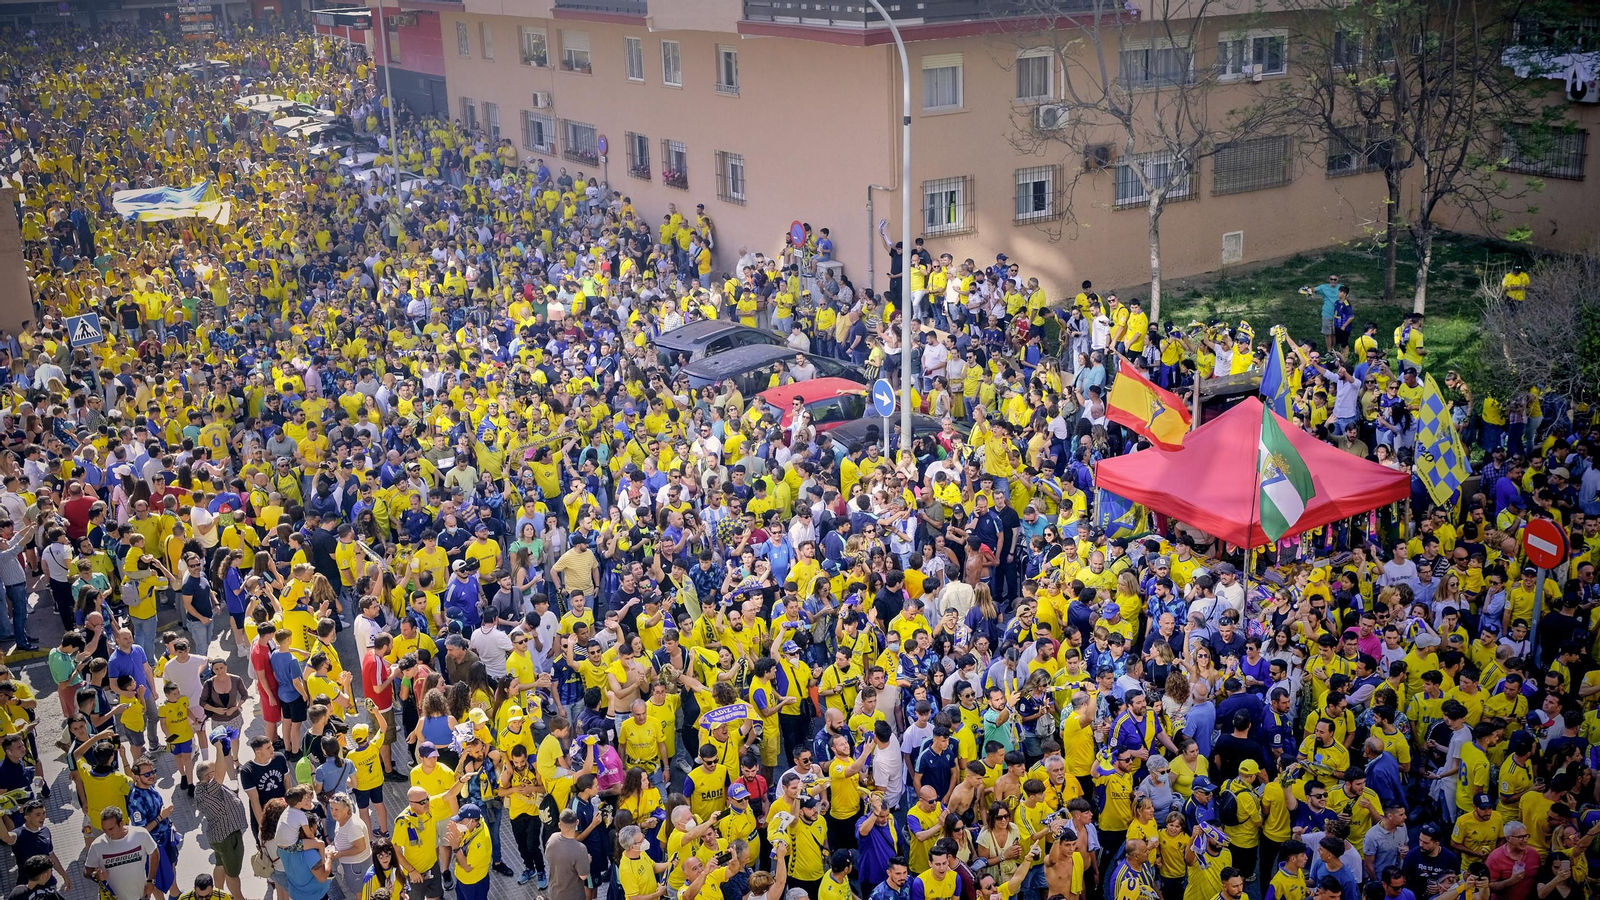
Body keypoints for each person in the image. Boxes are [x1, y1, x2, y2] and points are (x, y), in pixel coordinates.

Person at [83, 807, 158, 900]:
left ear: (122, 823)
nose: (107, 833)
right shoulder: (97, 845)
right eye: (104, 829)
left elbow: (154, 852)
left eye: (111, 829)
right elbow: (86, 871)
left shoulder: (140, 834)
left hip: (140, 895)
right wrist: (96, 875)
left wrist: (151, 880)